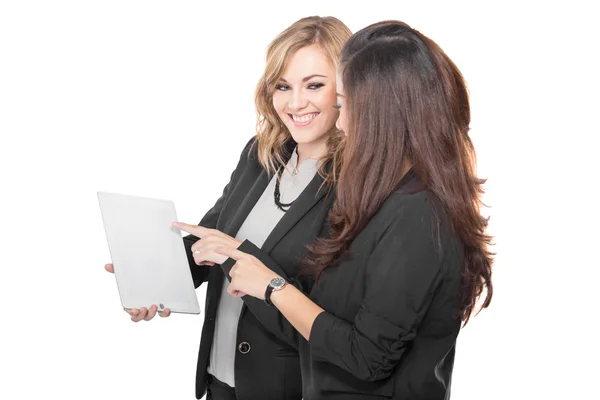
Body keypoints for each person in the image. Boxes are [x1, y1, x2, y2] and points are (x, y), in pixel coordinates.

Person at [215, 20, 494, 399]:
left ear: (385, 113)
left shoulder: (418, 214)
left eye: (345, 105)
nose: (340, 121)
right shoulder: (384, 197)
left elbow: (368, 357)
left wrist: (273, 287)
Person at [104, 16, 352, 400]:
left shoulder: (357, 183)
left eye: (314, 85)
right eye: (283, 86)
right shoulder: (261, 153)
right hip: (220, 379)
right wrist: (152, 277)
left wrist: (238, 257)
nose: (295, 102)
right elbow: (214, 235)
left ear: (346, 89)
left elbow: (328, 316)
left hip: (284, 387)